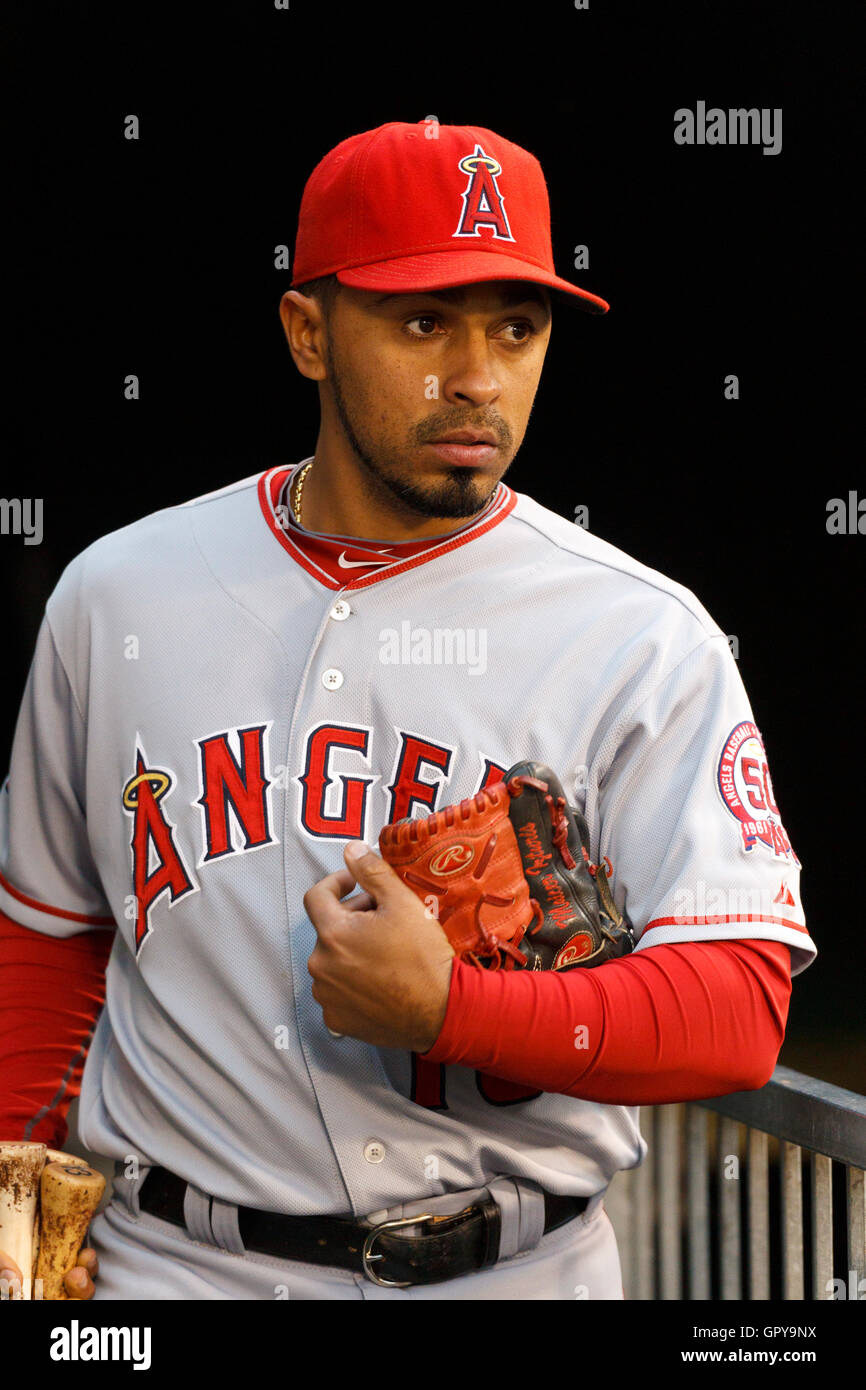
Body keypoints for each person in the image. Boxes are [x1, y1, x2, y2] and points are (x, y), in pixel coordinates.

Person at [0, 119, 815, 1300]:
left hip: (514, 1275)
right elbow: (49, 929)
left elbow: (737, 1009)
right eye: (423, 321)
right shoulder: (119, 593)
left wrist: (455, 1008)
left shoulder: (640, 634)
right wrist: (22, 1205)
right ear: (307, 334)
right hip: (169, 1272)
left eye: (516, 328)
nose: (476, 376)